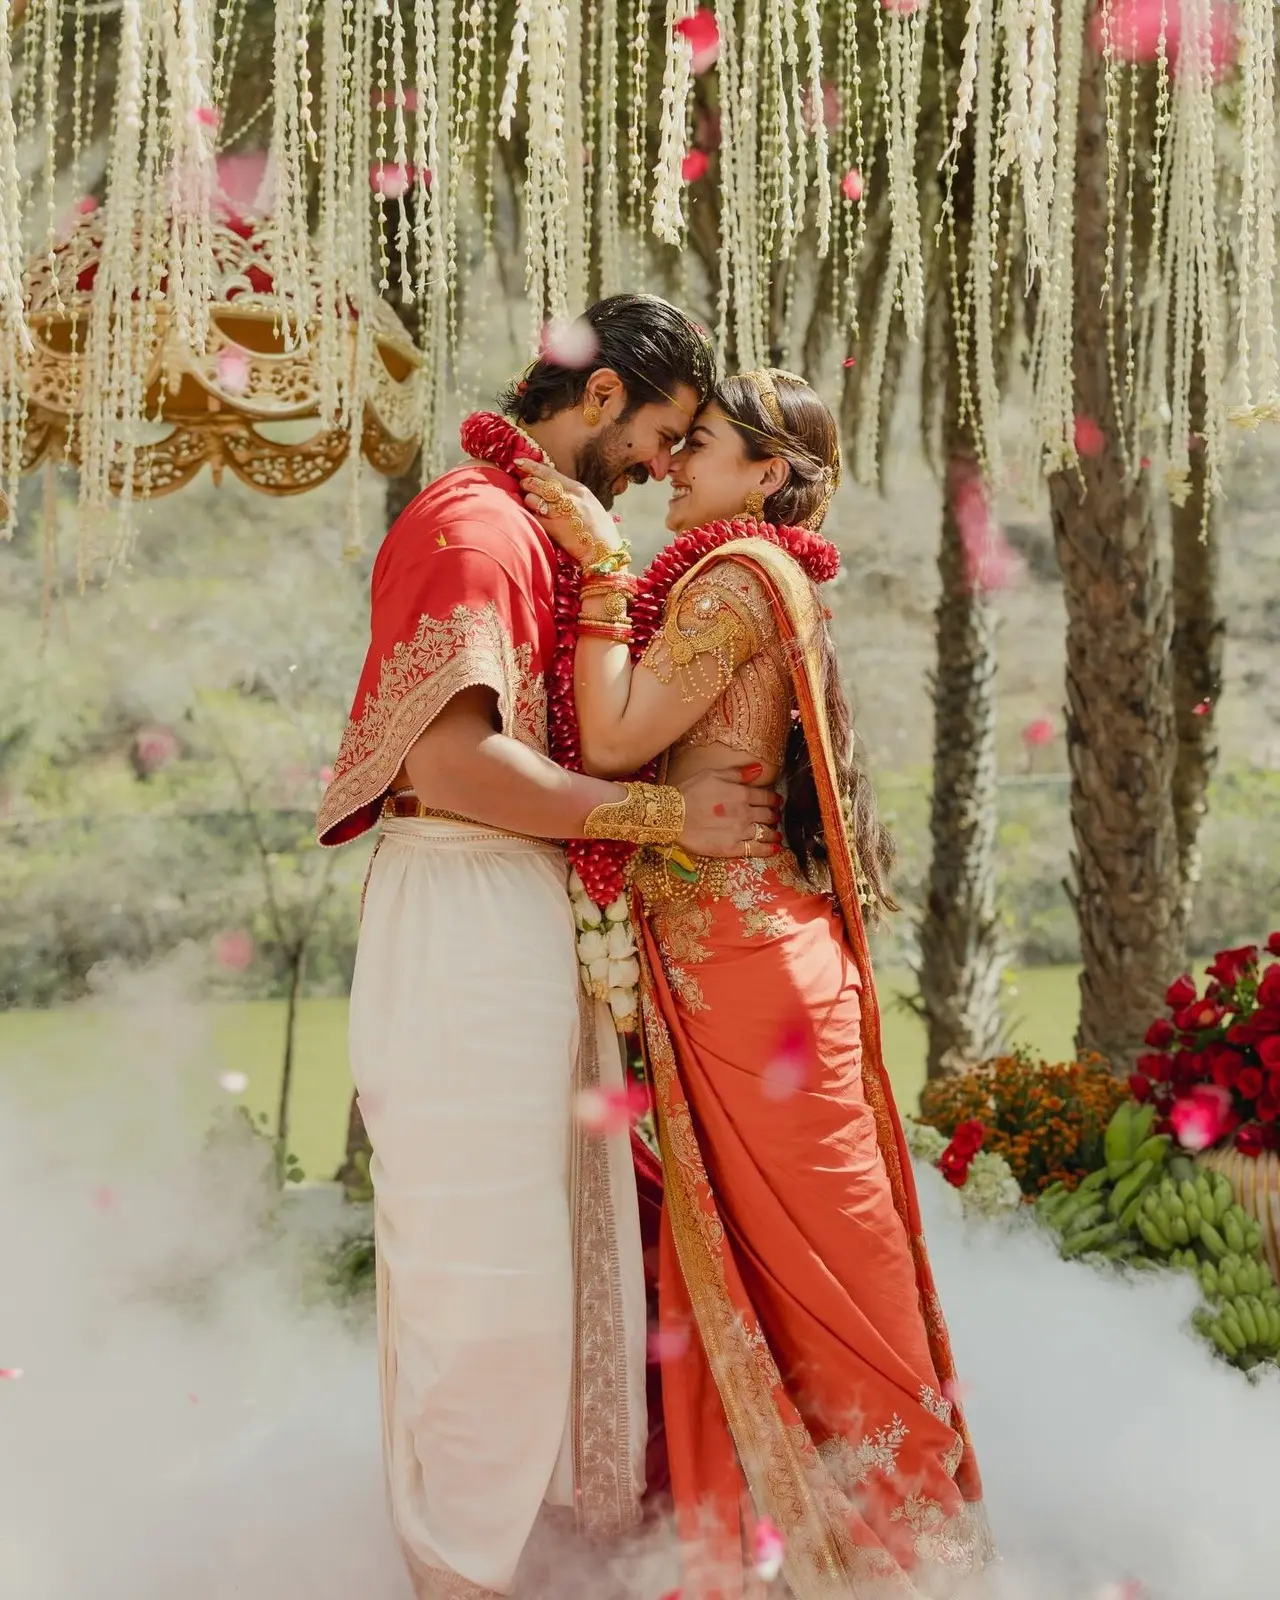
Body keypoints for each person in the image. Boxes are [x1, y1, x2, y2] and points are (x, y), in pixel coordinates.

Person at [315, 296, 782, 1600]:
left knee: (533, 1274)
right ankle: (455, 1577)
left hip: (508, 913)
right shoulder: (473, 528)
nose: (659, 466)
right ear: (600, 398)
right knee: (486, 1283)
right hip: (463, 907)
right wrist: (656, 815)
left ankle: (494, 1564)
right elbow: (448, 759)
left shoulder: (537, 530)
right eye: (662, 433)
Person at [514, 370, 995, 1598]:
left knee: (823, 1277)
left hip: (747, 974)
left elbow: (618, 739)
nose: (672, 463)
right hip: (745, 962)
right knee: (789, 1269)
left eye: (701, 447)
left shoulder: (731, 582)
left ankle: (889, 1554)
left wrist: (601, 572)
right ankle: (823, 1546)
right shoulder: (742, 575)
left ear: (765, 474)